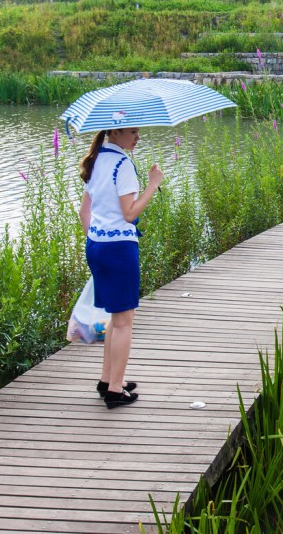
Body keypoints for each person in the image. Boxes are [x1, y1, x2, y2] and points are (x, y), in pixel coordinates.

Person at [78, 128, 163, 409]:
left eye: (139, 131)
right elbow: (129, 213)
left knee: (116, 318)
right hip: (119, 249)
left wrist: (97, 238)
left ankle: (108, 380)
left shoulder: (97, 159)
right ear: (115, 132)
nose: (138, 137)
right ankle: (115, 390)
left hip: (97, 246)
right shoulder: (123, 164)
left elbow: (84, 212)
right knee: (125, 321)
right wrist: (153, 184)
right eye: (133, 132)